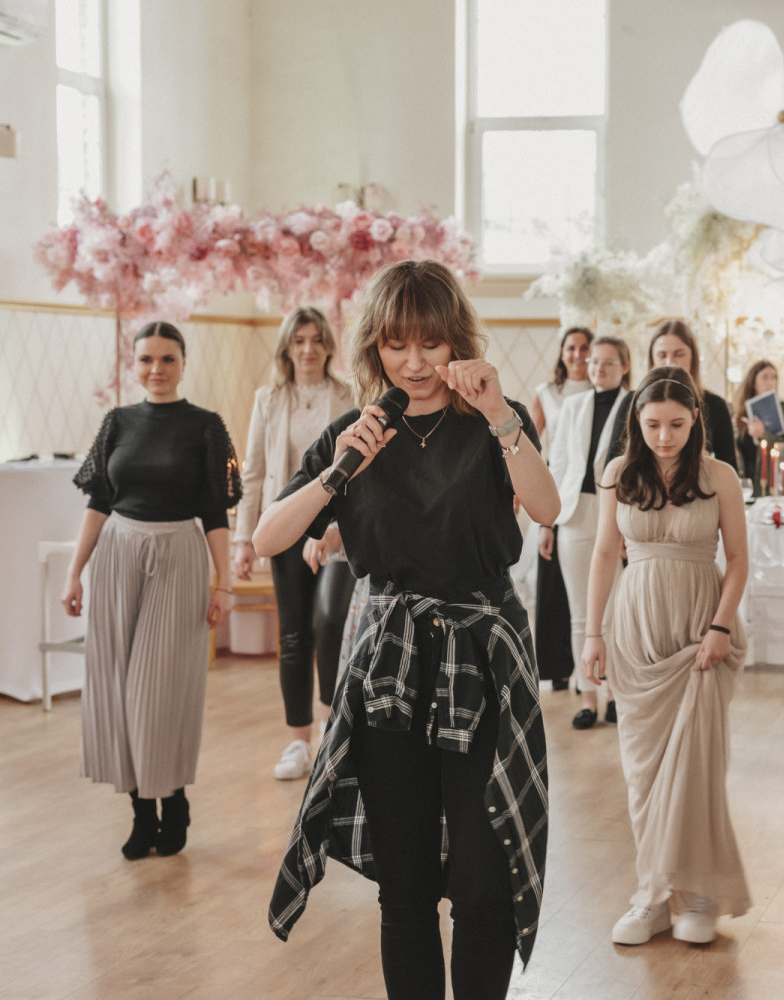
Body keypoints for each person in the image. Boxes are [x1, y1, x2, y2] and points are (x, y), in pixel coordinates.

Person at [260, 260, 561, 1000]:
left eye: (431, 343)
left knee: (484, 881)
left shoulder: (493, 422)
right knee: (406, 885)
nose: (415, 362)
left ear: (456, 340)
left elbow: (548, 508)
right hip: (388, 665)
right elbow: (271, 536)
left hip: (483, 657)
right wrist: (339, 471)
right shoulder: (353, 433)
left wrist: (501, 416)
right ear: (375, 347)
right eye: (397, 344)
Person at [581, 366, 751, 947]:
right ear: (637, 420)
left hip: (702, 632)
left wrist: (720, 627)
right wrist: (593, 634)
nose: (664, 436)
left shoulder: (719, 475)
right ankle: (652, 897)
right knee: (643, 772)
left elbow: (739, 560)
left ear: (696, 419)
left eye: (676, 424)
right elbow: (605, 553)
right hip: (637, 631)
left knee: (699, 766)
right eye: (652, 424)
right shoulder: (617, 474)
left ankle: (699, 894)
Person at [63, 321, 241, 859]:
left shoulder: (205, 426)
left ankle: (175, 800)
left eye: (167, 359)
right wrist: (74, 572)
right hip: (117, 552)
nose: (156, 369)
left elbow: (215, 511)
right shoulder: (116, 422)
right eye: (146, 359)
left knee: (158, 691)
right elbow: (98, 501)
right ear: (134, 364)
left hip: (178, 556)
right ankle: (142, 812)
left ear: (183, 363)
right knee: (117, 685)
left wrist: (224, 583)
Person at [233, 306, 357, 781]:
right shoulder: (268, 399)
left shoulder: (348, 395)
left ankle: (330, 730)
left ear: (328, 346)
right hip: (285, 527)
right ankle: (298, 743)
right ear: (287, 348)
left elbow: (360, 471)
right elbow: (254, 474)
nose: (308, 349)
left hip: (336, 531)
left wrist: (335, 527)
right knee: (293, 636)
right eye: (299, 340)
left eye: (316, 339)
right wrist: (245, 540)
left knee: (329, 621)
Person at [541, 335, 630, 729]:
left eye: (608, 362)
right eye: (594, 362)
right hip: (576, 513)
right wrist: (547, 522)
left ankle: (615, 695)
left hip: (617, 514)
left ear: (624, 366)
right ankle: (589, 697)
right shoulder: (573, 406)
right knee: (582, 614)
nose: (599, 369)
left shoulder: (634, 404)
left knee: (614, 613)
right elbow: (558, 465)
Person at [528, 327, 593, 692]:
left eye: (585, 347)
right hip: (555, 491)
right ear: (562, 352)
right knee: (553, 588)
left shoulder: (603, 392)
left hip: (592, 496)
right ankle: (559, 668)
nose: (578, 354)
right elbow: (530, 447)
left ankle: (591, 668)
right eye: (572, 347)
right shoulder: (546, 393)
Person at [604, 319, 738, 469]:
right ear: (652, 359)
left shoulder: (715, 405)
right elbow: (613, 463)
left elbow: (729, 466)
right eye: (662, 355)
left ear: (692, 357)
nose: (670, 362)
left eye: (679, 354)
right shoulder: (631, 401)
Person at [733, 358, 784, 491]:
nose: (770, 382)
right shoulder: (741, 412)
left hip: (771, 482)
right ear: (753, 382)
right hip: (744, 482)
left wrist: (764, 434)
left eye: (774, 378)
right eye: (765, 377)